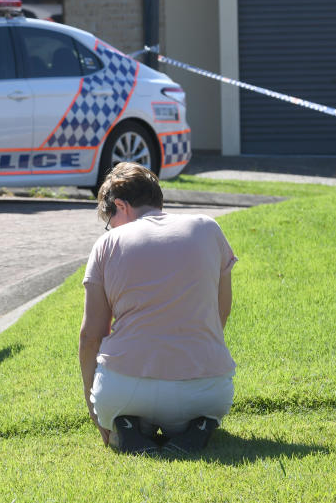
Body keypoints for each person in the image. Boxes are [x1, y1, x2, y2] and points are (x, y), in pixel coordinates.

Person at [79, 162, 237, 454]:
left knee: (124, 407)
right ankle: (197, 426)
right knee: (198, 409)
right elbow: (220, 314)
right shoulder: (208, 228)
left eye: (109, 219)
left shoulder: (107, 244)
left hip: (125, 389)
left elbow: (91, 335)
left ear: (120, 205)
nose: (110, 227)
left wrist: (96, 410)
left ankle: (128, 425)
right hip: (207, 390)